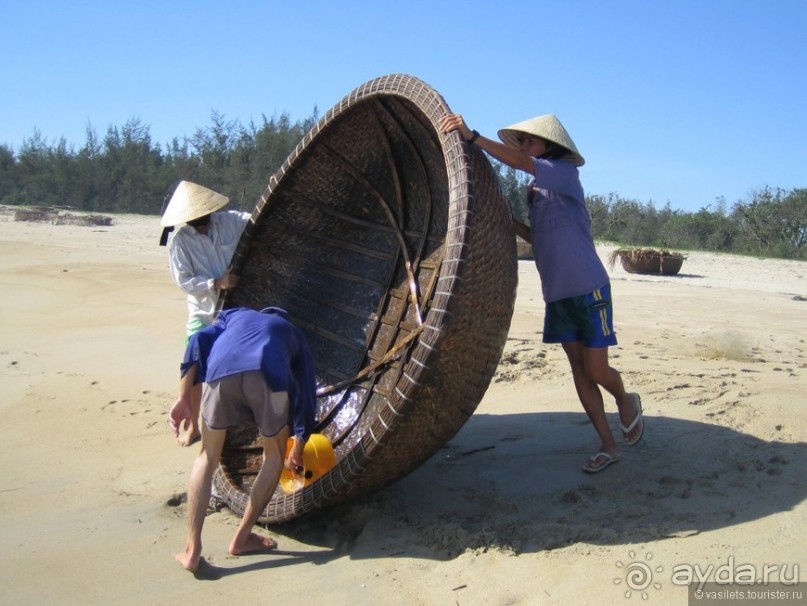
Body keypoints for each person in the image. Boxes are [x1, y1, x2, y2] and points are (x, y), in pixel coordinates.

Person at [439, 112, 644, 474]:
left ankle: (626, 400)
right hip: (557, 295)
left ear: (549, 147)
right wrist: (508, 220)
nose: (524, 147)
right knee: (579, 370)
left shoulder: (564, 174)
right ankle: (608, 446)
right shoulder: (534, 191)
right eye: (523, 143)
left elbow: (520, 163)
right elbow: (540, 238)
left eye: (530, 142)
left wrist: (473, 138)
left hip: (588, 287)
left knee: (596, 369)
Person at [168, 306, 317, 573]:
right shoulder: (293, 333)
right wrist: (300, 440)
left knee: (207, 457)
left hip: (220, 371)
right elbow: (305, 390)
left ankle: (192, 549)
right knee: (274, 456)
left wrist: (182, 397)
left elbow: (196, 341)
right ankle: (242, 536)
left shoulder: (232, 315)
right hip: (267, 373)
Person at [160, 180, 250, 445]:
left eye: (203, 217)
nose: (201, 223)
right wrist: (215, 283)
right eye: (194, 220)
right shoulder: (181, 243)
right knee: (194, 363)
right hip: (203, 310)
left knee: (238, 367)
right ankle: (192, 423)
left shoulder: (231, 222)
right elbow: (184, 281)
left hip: (236, 309)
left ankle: (237, 421)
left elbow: (258, 220)